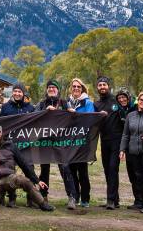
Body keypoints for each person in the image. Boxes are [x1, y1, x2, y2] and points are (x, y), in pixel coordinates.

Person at [35, 79, 79, 210]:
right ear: (47, 90)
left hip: (60, 141)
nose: (51, 89)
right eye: (49, 87)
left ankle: (72, 197)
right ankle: (43, 196)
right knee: (44, 169)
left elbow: (74, 117)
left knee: (65, 168)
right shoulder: (42, 103)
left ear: (58, 90)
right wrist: (45, 111)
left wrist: (72, 112)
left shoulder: (64, 102)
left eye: (54, 87)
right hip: (44, 141)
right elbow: (33, 117)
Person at [0, 82, 34, 207]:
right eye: (15, 91)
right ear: (12, 92)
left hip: (26, 145)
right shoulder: (5, 107)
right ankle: (11, 198)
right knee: (9, 172)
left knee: (29, 170)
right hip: (10, 145)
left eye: (20, 91)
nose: (17, 93)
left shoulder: (30, 108)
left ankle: (31, 199)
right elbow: (1, 125)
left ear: (24, 93)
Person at [93, 76, 122, 210]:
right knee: (107, 170)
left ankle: (110, 200)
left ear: (108, 86)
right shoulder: (96, 104)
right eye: (100, 85)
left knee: (112, 169)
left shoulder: (117, 100)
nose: (102, 87)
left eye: (104, 85)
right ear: (97, 88)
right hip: (104, 141)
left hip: (117, 140)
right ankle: (115, 200)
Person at [66, 78, 95, 208]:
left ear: (82, 88)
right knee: (72, 171)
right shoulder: (67, 103)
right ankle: (75, 197)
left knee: (82, 172)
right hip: (70, 143)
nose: (76, 88)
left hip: (83, 142)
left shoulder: (87, 103)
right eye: (74, 86)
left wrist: (76, 114)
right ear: (71, 88)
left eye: (78, 86)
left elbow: (90, 120)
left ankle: (85, 198)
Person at [115, 87, 142, 209]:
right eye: (119, 98)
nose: (121, 99)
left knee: (140, 175)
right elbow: (125, 133)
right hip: (129, 146)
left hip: (140, 146)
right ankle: (138, 201)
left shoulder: (136, 108)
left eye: (123, 97)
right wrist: (123, 149)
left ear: (128, 97)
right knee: (132, 175)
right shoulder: (121, 110)